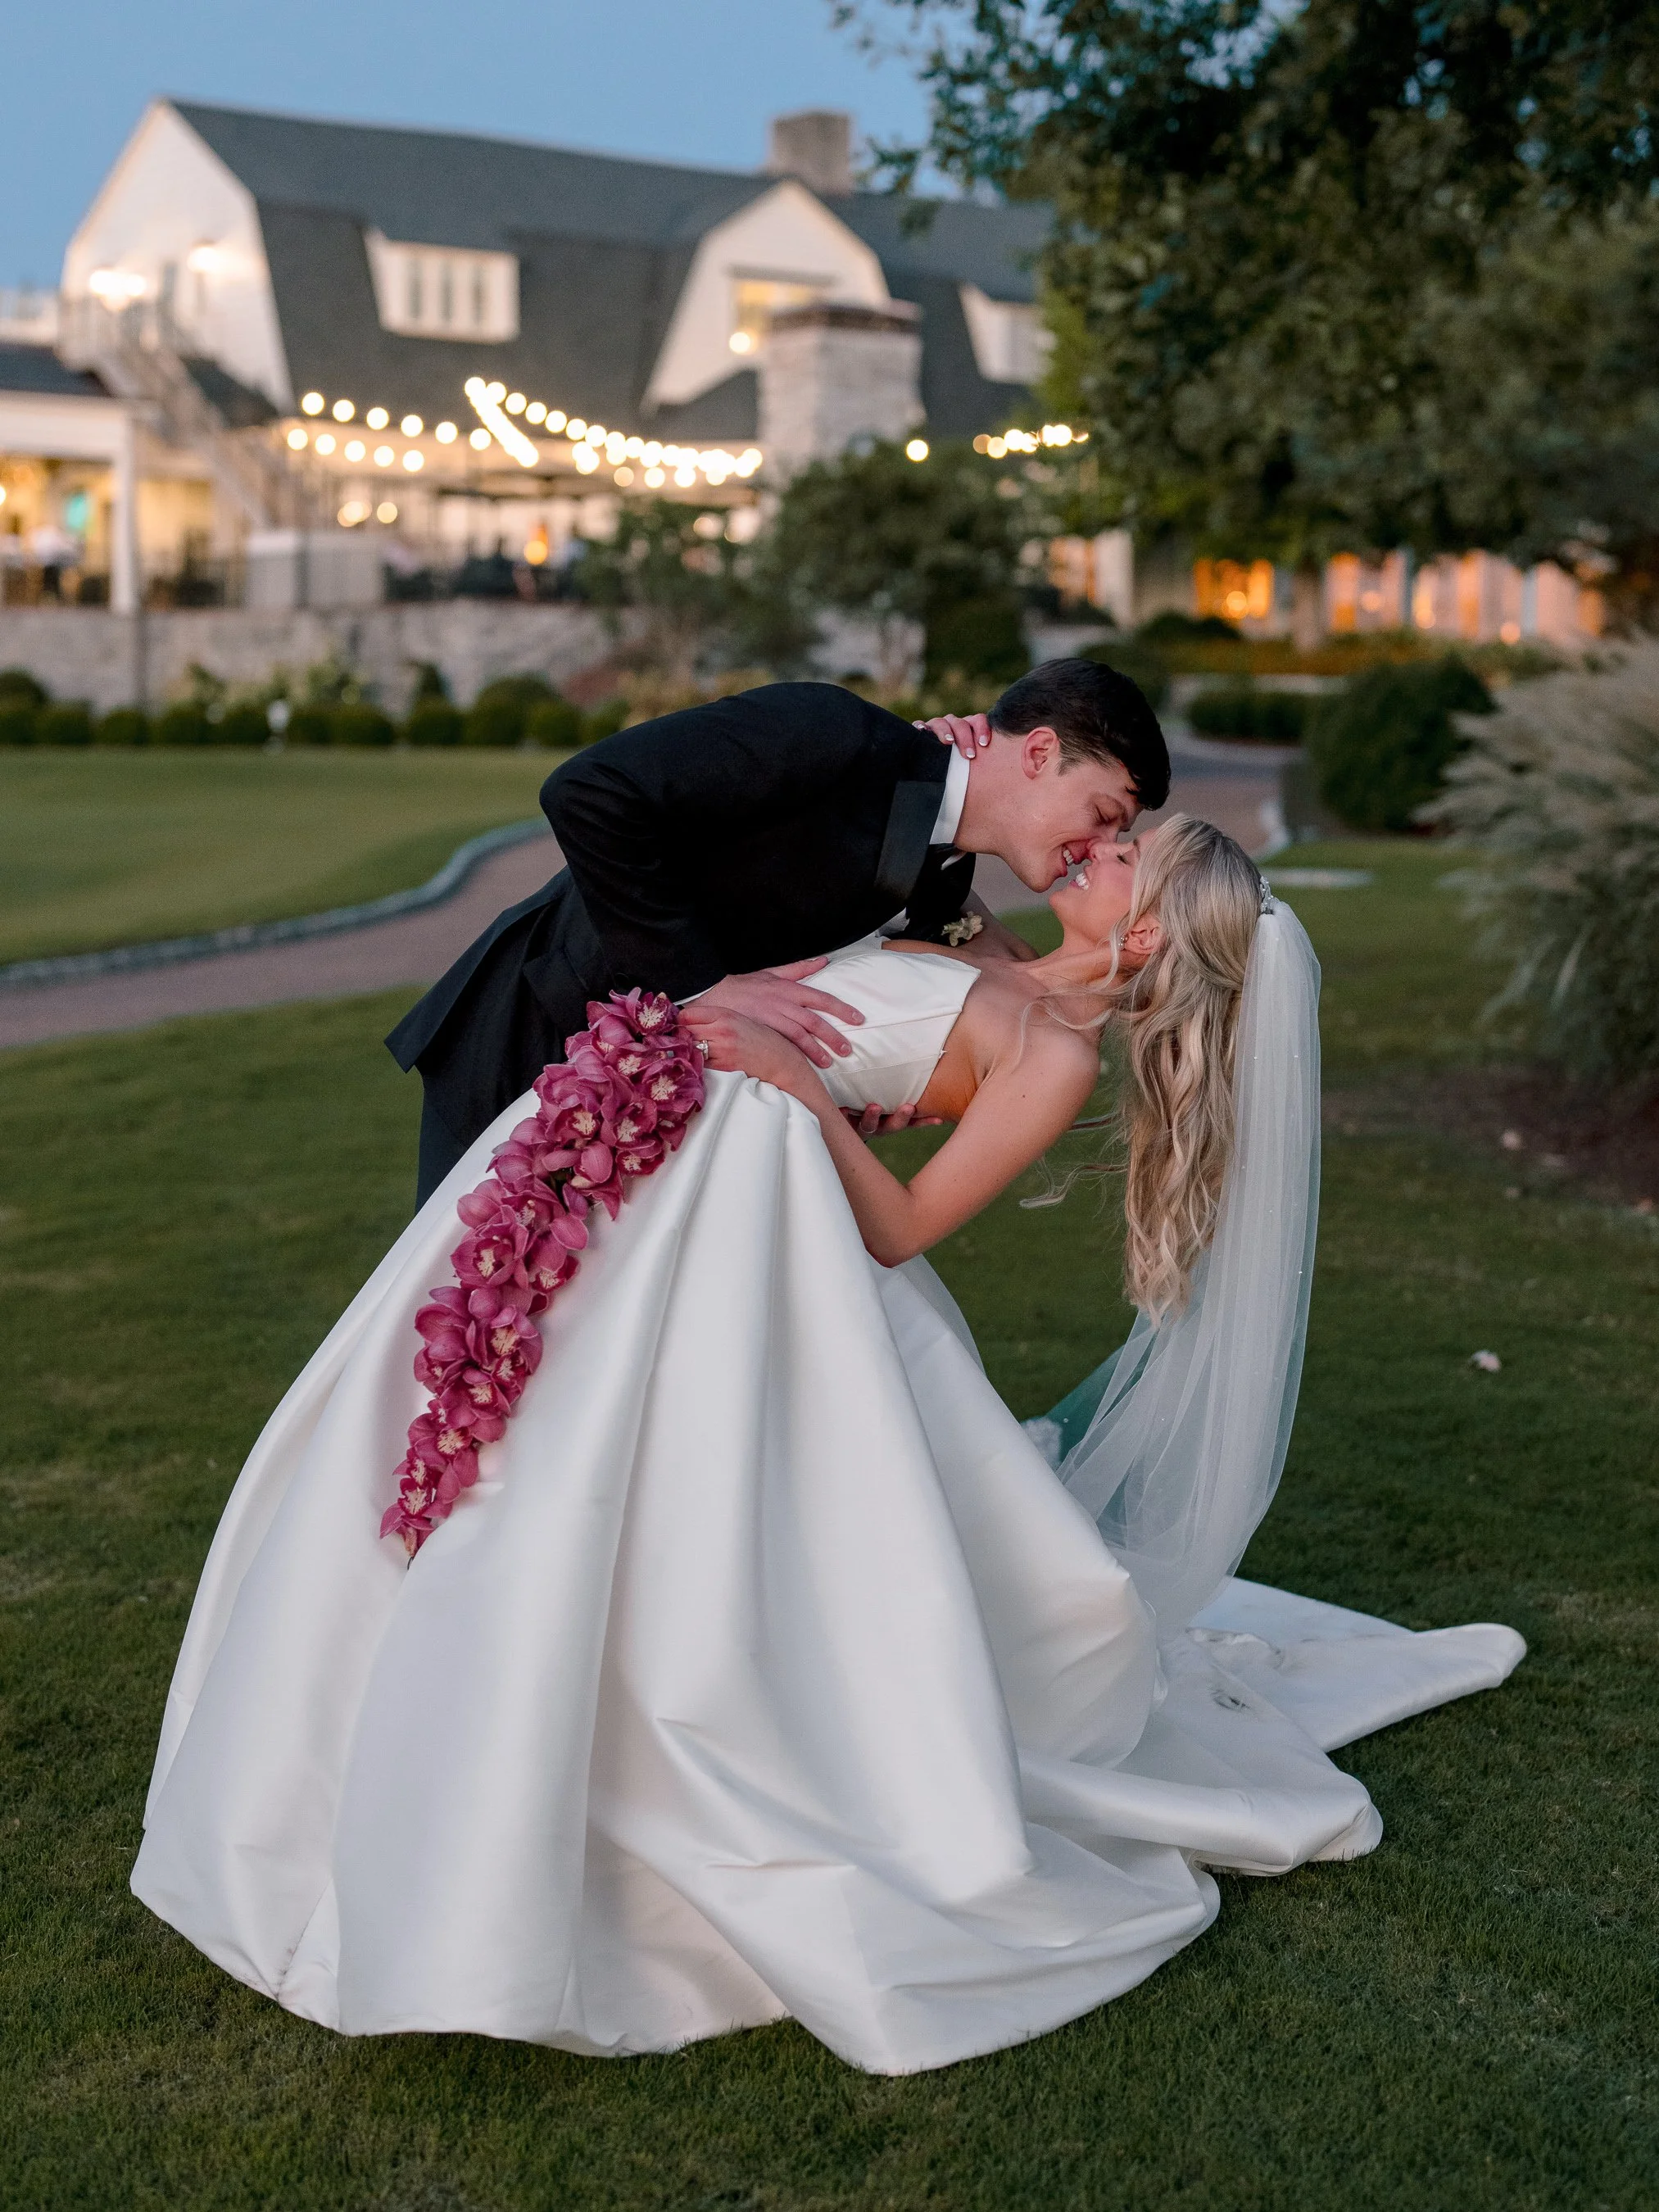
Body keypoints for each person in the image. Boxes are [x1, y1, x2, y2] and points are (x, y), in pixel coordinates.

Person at [132, 809, 1523, 2075]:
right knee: (488, 1420)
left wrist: (799, 1087)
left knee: (603, 1497)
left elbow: (904, 1226)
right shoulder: (984, 939)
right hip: (666, 1143)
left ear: (1144, 932)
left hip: (755, 1201)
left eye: (1112, 860)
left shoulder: (1051, 1053)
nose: (1087, 846)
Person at [386, 660, 1170, 1202]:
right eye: (1103, 815)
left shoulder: (944, 877)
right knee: (460, 1337)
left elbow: (1019, 980)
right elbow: (589, 791)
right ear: (1037, 751)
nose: (1097, 848)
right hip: (531, 1035)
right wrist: (702, 986)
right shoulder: (831, 732)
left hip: (651, 1113)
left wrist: (861, 1096)